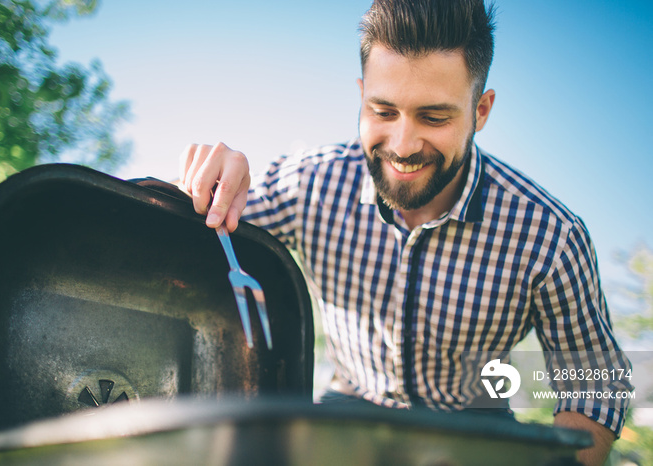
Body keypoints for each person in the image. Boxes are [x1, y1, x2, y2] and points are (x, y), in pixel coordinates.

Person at [178, 1, 631, 464]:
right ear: (361, 96)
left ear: (482, 109)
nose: (403, 146)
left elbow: (595, 387)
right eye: (384, 111)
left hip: (476, 426)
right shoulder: (309, 183)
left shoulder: (550, 236)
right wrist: (204, 187)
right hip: (346, 415)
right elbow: (187, 236)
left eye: (434, 118)